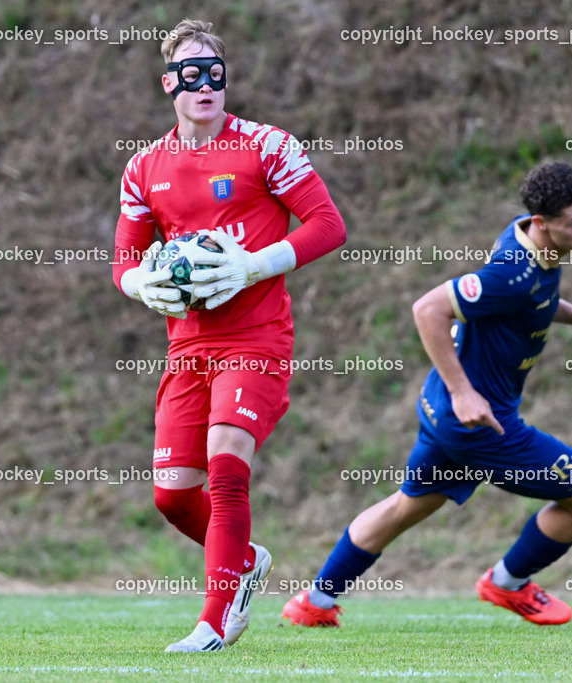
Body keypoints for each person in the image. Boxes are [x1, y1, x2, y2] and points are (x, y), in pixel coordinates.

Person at [283, 162, 572, 628]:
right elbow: (429, 309)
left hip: (441, 412)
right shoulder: (512, 271)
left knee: (407, 505)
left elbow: (520, 305)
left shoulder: (526, 238)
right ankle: (507, 583)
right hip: (479, 424)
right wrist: (465, 393)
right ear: (542, 223)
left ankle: (313, 603)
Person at [113, 19, 347, 652]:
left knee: (225, 466)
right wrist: (143, 286)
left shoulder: (267, 146)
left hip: (256, 338)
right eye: (192, 74)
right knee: (171, 496)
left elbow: (328, 225)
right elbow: (123, 261)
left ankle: (214, 623)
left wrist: (252, 265)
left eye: (216, 72)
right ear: (170, 85)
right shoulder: (144, 167)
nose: (206, 85)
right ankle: (243, 560)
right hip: (188, 347)